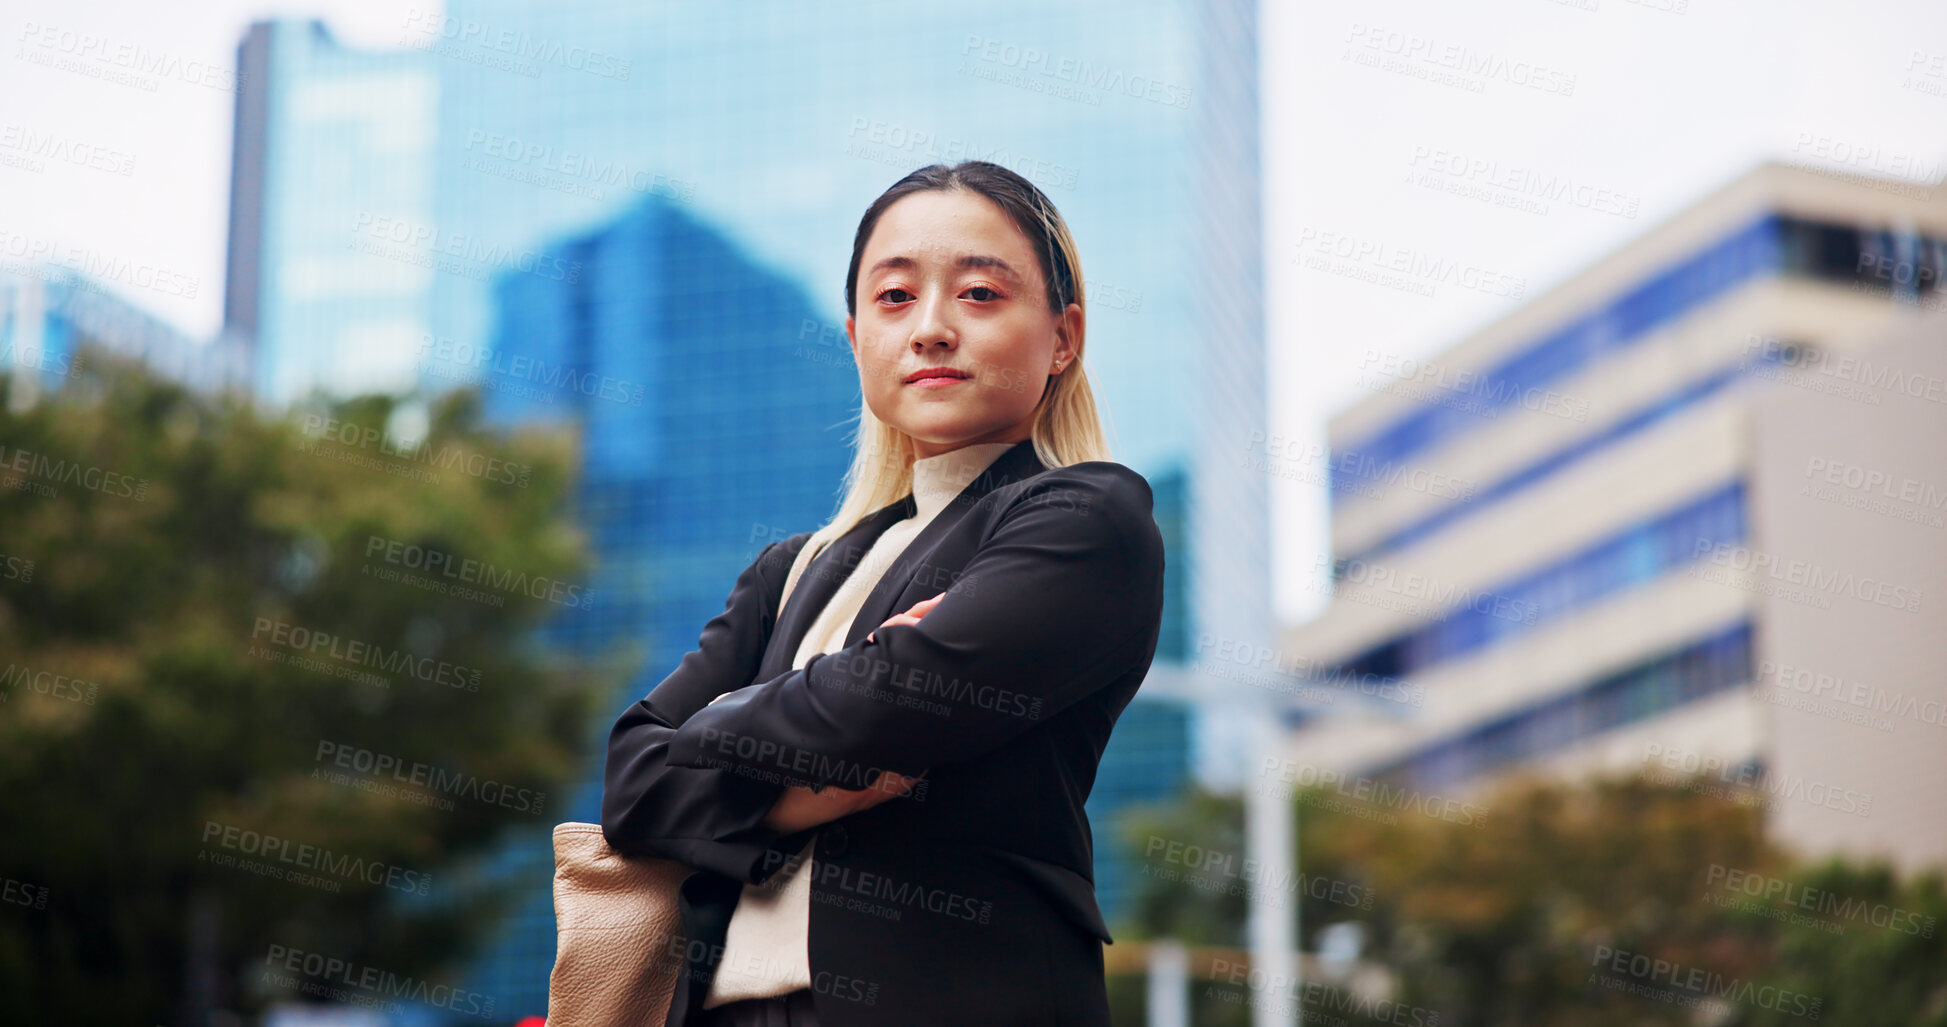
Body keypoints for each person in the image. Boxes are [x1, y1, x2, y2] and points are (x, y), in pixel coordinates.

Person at [601, 159, 1167, 1027]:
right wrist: (810, 768)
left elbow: (894, 705)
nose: (932, 328)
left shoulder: (1087, 518)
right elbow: (632, 782)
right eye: (895, 297)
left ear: (1063, 337)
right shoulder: (790, 569)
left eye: (979, 294)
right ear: (856, 333)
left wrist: (725, 726)